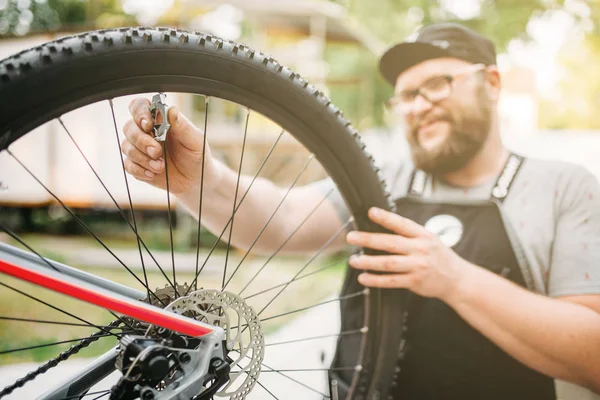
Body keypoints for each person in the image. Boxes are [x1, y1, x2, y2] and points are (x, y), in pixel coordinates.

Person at [121, 22, 600, 399]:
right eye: (407, 96)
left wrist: (454, 279)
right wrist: (200, 179)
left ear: (491, 83)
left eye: (437, 84)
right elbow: (283, 222)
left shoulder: (562, 187)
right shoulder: (382, 178)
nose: (418, 106)